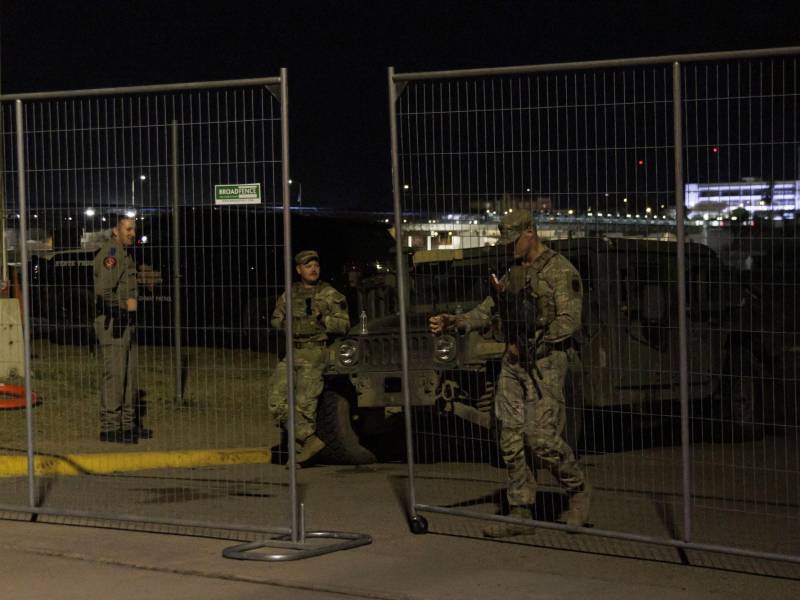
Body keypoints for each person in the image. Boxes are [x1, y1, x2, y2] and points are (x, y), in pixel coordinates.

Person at [429, 211, 590, 537]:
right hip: (513, 364)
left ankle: (578, 490)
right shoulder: (512, 273)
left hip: (545, 363)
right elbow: (487, 310)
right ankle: (520, 511)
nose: (509, 247)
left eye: (513, 240)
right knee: (511, 438)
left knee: (540, 438)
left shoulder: (560, 271)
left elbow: (569, 321)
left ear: (531, 232)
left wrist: (534, 340)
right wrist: (455, 322)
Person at [269, 250, 350, 465]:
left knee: (304, 406)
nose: (313, 269)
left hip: (315, 352)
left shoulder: (330, 294)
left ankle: (300, 451)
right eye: (308, 266)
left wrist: (322, 320)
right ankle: (309, 439)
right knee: (276, 403)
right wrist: (285, 324)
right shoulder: (289, 294)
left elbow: (344, 324)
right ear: (298, 270)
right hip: (292, 352)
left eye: (316, 265)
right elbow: (276, 319)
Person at [94, 214, 149, 443]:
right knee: (116, 376)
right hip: (113, 322)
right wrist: (122, 308)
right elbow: (103, 291)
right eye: (128, 229)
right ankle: (110, 428)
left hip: (126, 322)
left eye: (133, 229)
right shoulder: (112, 253)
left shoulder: (125, 253)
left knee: (130, 375)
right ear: (116, 231)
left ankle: (127, 425)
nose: (132, 233)